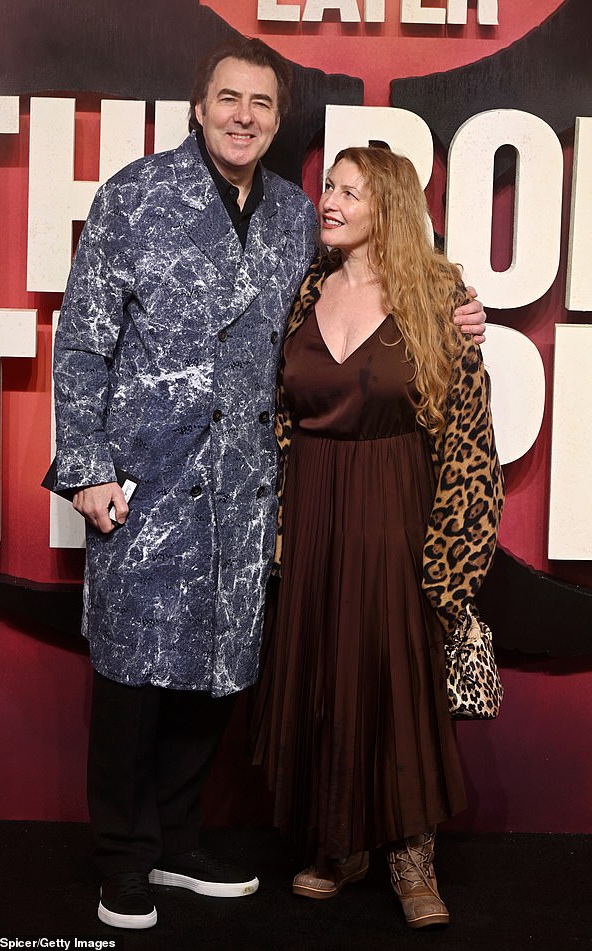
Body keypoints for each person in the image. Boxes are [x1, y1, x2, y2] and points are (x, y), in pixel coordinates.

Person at [53, 37, 488, 931]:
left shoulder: (298, 217)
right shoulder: (133, 197)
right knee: (133, 684)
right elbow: (83, 339)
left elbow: (383, 287)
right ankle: (124, 862)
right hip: (146, 488)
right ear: (199, 104)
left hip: (253, 500)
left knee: (216, 680)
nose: (244, 114)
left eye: (261, 101)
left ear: (277, 116)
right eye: (229, 97)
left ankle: (180, 845)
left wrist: (459, 304)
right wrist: (88, 469)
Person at [250, 146, 504, 930]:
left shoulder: (437, 295)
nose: (329, 199)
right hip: (315, 507)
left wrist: (454, 553)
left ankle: (410, 851)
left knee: (395, 673)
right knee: (324, 667)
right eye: (329, 185)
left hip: (398, 505)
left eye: (350, 191)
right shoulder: (305, 291)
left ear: (386, 206)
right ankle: (338, 843)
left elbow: (468, 433)